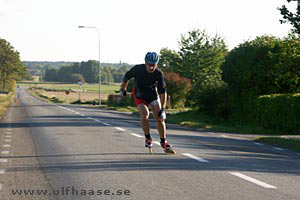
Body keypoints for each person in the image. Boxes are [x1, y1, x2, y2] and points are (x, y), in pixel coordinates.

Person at [120, 52, 175, 154]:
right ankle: (148, 138)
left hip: (152, 94)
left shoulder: (158, 74)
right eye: (149, 65)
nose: (151, 67)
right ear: (145, 63)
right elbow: (127, 76)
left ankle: (163, 141)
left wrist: (163, 109)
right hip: (139, 94)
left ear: (157, 64)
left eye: (154, 65)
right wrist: (123, 88)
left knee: (160, 118)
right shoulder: (138, 69)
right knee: (145, 114)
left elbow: (163, 93)